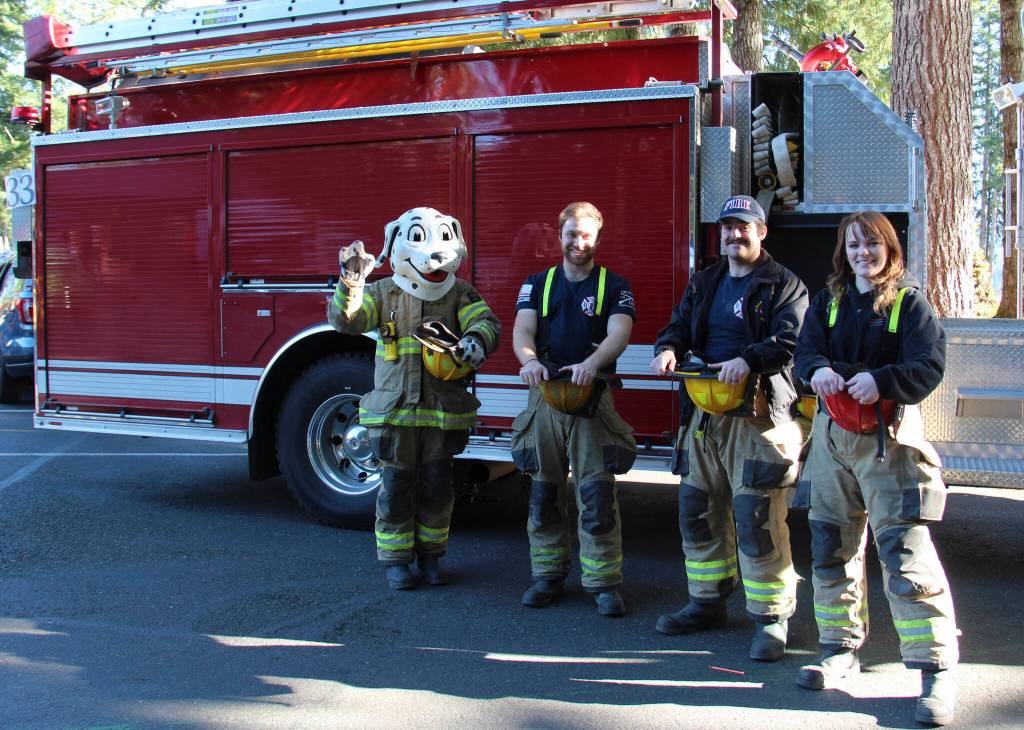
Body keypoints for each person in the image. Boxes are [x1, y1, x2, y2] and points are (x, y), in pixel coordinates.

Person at [793, 211, 958, 726]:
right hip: (832, 441)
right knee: (830, 549)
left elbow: (929, 365)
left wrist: (881, 381)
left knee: (905, 554)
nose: (863, 253)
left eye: (872, 244)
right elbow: (805, 353)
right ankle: (839, 652)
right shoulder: (830, 301)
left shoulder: (909, 303)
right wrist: (816, 370)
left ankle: (934, 672)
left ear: (889, 248)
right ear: (844, 251)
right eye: (854, 244)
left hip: (890, 444)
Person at [650, 195, 807, 661]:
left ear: (761, 232)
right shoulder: (706, 281)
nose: (734, 235)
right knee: (697, 512)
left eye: (744, 227)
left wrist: (748, 359)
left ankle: (772, 619)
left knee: (757, 519)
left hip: (757, 417)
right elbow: (678, 326)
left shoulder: (784, 284)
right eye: (727, 228)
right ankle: (706, 603)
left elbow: (791, 339)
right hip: (704, 415)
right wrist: (667, 347)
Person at [328, 207, 500, 590]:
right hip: (395, 415)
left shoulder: (459, 293)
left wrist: (475, 341)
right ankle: (396, 561)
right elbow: (347, 321)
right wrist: (351, 284)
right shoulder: (382, 291)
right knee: (396, 489)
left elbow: (486, 323)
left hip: (440, 415)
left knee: (438, 489)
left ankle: (432, 558)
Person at [510, 201, 637, 617]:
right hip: (544, 399)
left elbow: (620, 331)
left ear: (597, 239)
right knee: (544, 493)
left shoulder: (615, 286)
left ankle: (603, 584)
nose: (577, 241)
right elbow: (523, 329)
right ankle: (547, 575)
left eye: (585, 234)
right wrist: (529, 361)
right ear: (558, 235)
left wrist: (592, 363)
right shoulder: (536, 284)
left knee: (596, 496)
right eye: (571, 233)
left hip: (592, 400)